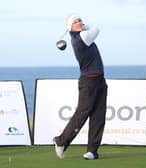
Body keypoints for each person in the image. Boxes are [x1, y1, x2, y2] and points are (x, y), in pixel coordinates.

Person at [53, 14, 108, 160]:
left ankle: (92, 151)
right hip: (88, 83)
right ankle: (61, 141)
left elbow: (90, 29)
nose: (80, 23)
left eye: (80, 20)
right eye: (76, 22)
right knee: (82, 114)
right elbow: (96, 28)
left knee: (98, 116)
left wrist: (79, 25)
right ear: (70, 27)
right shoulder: (81, 38)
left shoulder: (82, 35)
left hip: (100, 80)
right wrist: (84, 25)